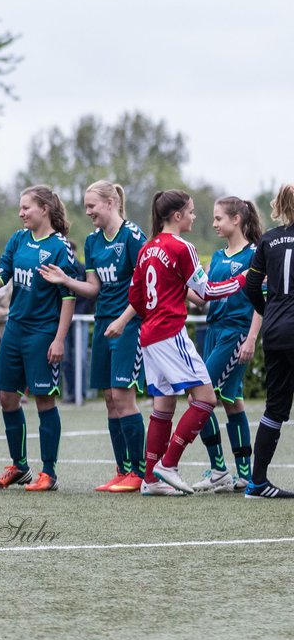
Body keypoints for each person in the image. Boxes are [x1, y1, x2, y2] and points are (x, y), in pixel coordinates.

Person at [103, 190, 246, 496]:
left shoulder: (148, 248)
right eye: (192, 212)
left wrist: (162, 304)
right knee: (206, 399)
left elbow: (136, 298)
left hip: (149, 336)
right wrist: (245, 279)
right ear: (178, 215)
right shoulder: (183, 247)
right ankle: (168, 464)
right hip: (170, 332)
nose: (195, 217)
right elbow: (206, 292)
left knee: (163, 405)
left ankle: (150, 480)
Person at [39, 180, 147, 493]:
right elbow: (94, 288)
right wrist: (65, 280)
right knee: (110, 400)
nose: (88, 212)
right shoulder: (92, 241)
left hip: (128, 325)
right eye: (86, 206)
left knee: (124, 397)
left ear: (111, 202)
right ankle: (122, 470)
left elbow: (143, 286)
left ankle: (139, 473)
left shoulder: (132, 236)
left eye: (92, 206)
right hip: (103, 325)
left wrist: (124, 319)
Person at [0, 185, 82, 492]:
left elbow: (68, 297)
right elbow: (0, 277)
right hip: (15, 329)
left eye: (26, 208)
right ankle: (19, 466)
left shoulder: (60, 247)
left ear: (44, 209)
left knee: (43, 398)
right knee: (6, 396)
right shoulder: (18, 239)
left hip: (42, 333)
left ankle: (48, 473)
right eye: (20, 208)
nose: (21, 213)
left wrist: (59, 339)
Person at [190, 197, 263, 492]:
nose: (214, 223)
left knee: (200, 395)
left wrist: (251, 338)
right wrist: (180, 284)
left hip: (235, 333)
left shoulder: (255, 256)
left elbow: (261, 301)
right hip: (213, 331)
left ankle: (219, 469)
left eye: (219, 218)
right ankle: (243, 473)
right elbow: (203, 297)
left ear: (237, 220)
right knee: (232, 401)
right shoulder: (218, 257)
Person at [242, 183, 294, 498]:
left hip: (275, 332)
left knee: (275, 407)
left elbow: (251, 287)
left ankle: (256, 482)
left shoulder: (269, 239)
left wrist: (270, 312)